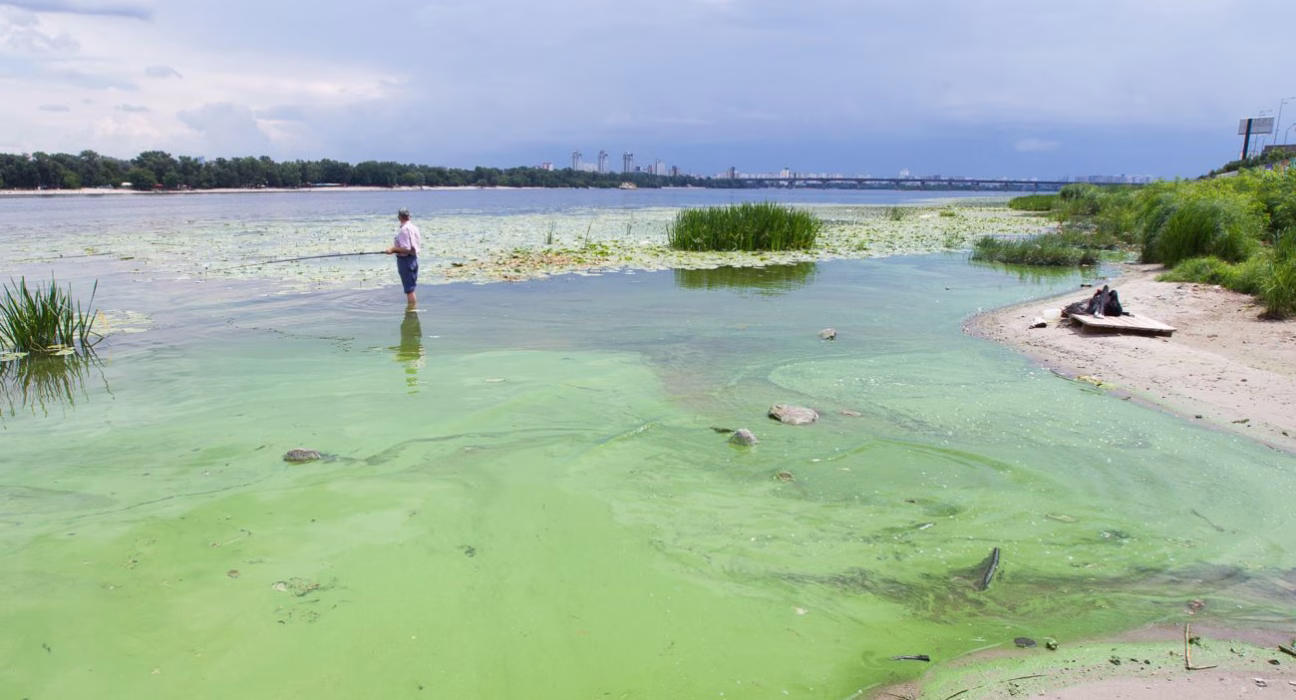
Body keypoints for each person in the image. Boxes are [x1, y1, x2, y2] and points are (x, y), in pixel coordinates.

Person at [387, 207, 422, 307]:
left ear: (399, 217)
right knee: (411, 289)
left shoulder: (404, 229)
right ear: (409, 216)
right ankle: (413, 314)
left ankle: (411, 314)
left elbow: (406, 248)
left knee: (409, 290)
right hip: (414, 260)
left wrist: (392, 249)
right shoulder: (414, 228)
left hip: (406, 261)